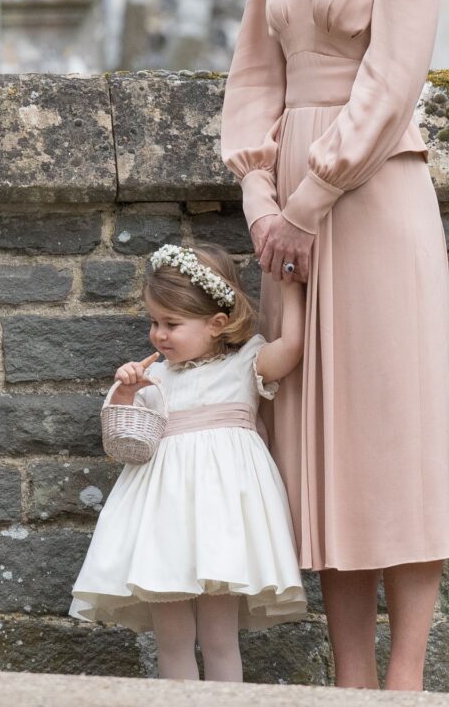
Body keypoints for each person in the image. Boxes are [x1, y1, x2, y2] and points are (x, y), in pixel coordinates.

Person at [218, 0, 449, 692]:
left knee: (393, 437)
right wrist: (261, 203)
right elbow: (252, 76)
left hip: (372, 206)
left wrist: (308, 203)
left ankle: (405, 680)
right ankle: (350, 680)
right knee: (318, 447)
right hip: (288, 216)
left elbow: (393, 80)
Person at [69, 243, 307, 682]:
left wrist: (289, 282)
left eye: (172, 323)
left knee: (220, 640)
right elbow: (125, 443)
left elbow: (292, 347)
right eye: (154, 322)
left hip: (224, 523)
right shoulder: (154, 377)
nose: (158, 334)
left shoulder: (245, 361)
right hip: (164, 521)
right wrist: (125, 392)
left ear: (217, 324)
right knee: (172, 640)